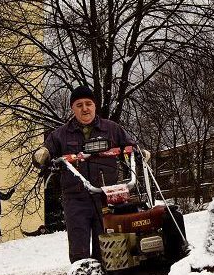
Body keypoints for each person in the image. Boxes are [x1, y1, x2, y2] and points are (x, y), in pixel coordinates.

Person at [31, 85, 138, 263]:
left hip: (106, 197)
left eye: (88, 104)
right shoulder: (60, 135)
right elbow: (44, 154)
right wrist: (42, 154)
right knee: (79, 250)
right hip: (76, 199)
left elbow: (131, 147)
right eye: (79, 105)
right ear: (72, 108)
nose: (85, 108)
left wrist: (140, 153)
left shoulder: (111, 129)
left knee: (108, 248)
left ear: (95, 106)